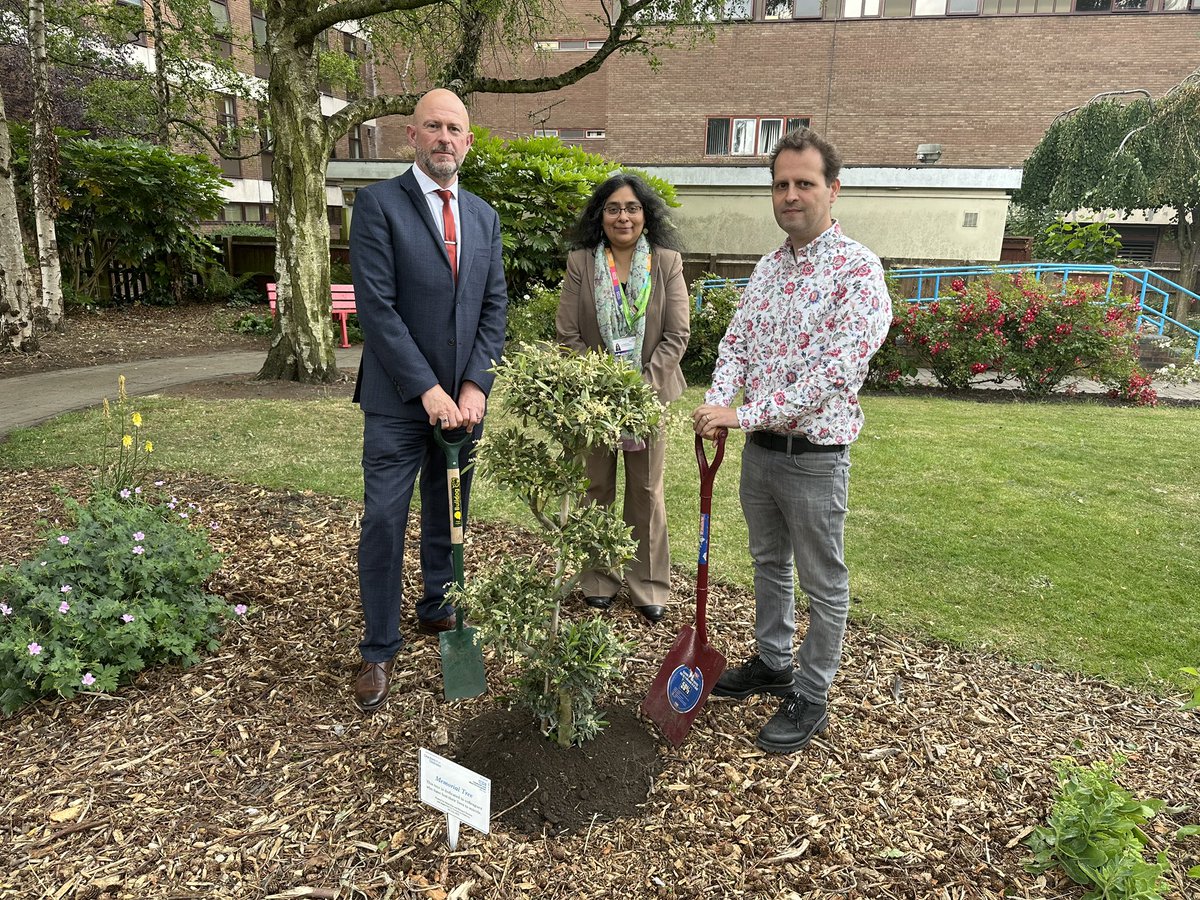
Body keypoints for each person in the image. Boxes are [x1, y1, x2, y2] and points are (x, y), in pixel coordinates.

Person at [693, 128, 891, 753]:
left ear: (833, 190)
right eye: (781, 184)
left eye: (804, 183)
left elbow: (835, 373)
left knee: (822, 582)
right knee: (767, 565)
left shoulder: (859, 272)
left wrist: (744, 413)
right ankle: (774, 660)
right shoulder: (767, 269)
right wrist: (719, 402)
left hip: (814, 460)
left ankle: (812, 691)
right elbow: (735, 345)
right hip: (760, 458)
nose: (791, 195)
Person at [348, 88, 508, 712]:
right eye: (433, 127)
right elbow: (377, 311)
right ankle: (379, 648)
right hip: (397, 401)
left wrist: (473, 386)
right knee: (386, 519)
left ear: (469, 142)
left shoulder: (484, 217)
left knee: (449, 513)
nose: (445, 138)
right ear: (411, 136)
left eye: (456, 129)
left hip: (462, 407)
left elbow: (492, 307)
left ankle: (438, 606)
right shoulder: (378, 205)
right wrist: (430, 391)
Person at [556, 174, 690, 624]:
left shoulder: (667, 263)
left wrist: (638, 389)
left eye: (632, 208)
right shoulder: (581, 264)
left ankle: (648, 584)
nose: (623, 216)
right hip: (595, 400)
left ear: (645, 216)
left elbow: (676, 335)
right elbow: (568, 334)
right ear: (601, 216)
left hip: (650, 398)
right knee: (596, 487)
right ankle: (598, 579)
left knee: (646, 490)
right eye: (613, 208)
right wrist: (606, 386)